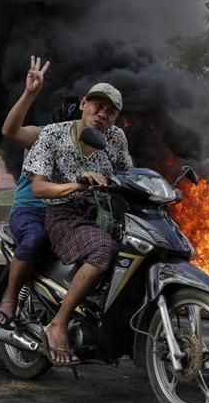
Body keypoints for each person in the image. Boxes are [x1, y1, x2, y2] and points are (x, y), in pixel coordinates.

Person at [23, 82, 132, 365]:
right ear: (84, 103)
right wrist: (77, 185)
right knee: (103, 249)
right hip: (64, 213)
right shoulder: (52, 135)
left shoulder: (116, 138)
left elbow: (129, 174)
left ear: (116, 118)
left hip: (105, 213)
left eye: (110, 111)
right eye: (98, 106)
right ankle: (58, 323)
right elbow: (39, 189)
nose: (102, 114)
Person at [0, 55, 66, 329]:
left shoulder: (95, 145)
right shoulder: (44, 135)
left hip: (68, 214)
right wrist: (29, 93)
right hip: (31, 211)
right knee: (35, 237)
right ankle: (9, 300)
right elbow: (10, 131)